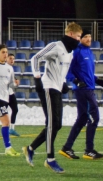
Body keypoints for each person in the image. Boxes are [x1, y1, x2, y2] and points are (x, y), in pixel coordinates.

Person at [22, 22, 82, 173]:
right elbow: (36, 58)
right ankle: (50, 159)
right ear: (70, 34)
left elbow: (61, 71)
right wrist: (37, 77)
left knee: (57, 124)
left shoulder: (70, 52)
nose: (79, 40)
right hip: (47, 87)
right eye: (78, 36)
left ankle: (30, 148)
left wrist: (63, 83)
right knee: (51, 123)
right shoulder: (56, 46)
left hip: (56, 88)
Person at [58, 29, 103, 160]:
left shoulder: (88, 51)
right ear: (80, 38)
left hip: (89, 88)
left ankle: (67, 147)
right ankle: (89, 150)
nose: (89, 39)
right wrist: (75, 81)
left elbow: (86, 71)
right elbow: (67, 69)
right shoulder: (76, 51)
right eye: (86, 37)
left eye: (90, 36)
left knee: (83, 118)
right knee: (94, 117)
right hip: (83, 90)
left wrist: (97, 80)